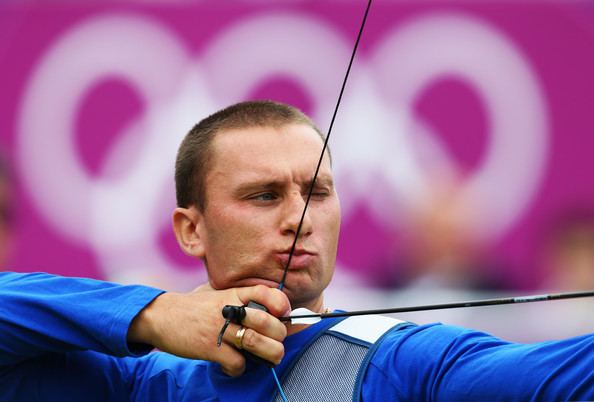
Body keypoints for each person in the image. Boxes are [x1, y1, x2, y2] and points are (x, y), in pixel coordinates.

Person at [1, 101, 594, 401]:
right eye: (263, 196)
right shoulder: (136, 381)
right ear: (190, 230)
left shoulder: (402, 365)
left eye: (317, 192)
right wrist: (156, 315)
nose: (299, 217)